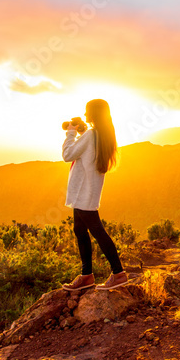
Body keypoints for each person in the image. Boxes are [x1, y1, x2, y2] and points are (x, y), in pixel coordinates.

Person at [60, 98, 129, 292]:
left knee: (97, 232)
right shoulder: (103, 135)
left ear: (94, 114)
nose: (84, 114)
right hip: (88, 191)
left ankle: (118, 273)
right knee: (80, 231)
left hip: (84, 192)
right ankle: (86, 275)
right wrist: (82, 133)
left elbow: (68, 155)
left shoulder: (91, 135)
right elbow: (88, 151)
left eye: (87, 111)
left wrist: (71, 132)